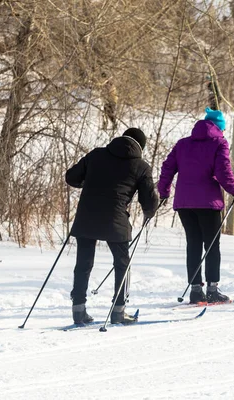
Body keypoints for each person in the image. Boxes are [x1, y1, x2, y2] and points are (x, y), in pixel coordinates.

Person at [66, 128, 159, 325]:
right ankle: (118, 311)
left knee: (83, 264)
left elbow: (71, 177)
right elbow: (149, 202)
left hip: (86, 217)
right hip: (115, 220)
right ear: (140, 147)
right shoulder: (141, 166)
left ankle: (78, 310)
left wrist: (90, 182)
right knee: (122, 263)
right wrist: (150, 211)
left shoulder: (96, 154)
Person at [158, 108, 234, 304]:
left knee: (193, 244)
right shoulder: (219, 143)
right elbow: (223, 172)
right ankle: (212, 289)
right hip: (208, 203)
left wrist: (164, 192)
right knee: (212, 246)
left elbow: (167, 168)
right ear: (220, 128)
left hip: (184, 203)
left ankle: (195, 290)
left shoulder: (183, 144)